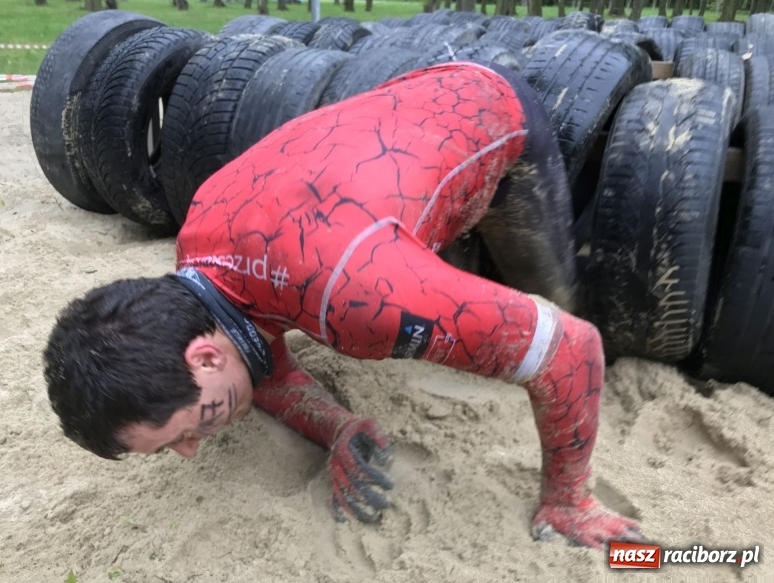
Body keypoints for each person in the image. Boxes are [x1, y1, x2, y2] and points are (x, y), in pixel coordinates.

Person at [44, 61, 644, 548]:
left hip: (492, 111)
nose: (191, 450)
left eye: (185, 430)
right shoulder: (197, 251)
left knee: (555, 302)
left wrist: (569, 500)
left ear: (203, 358)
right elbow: (259, 368)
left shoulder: (356, 306)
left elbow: (573, 349)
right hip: (394, 115)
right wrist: (338, 427)